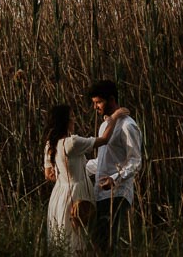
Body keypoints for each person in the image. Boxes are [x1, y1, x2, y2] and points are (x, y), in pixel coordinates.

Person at [43, 103, 130, 256]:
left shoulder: (50, 144)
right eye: (72, 117)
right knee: (80, 240)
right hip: (76, 193)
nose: (74, 120)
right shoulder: (71, 143)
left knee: (64, 238)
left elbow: (49, 174)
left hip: (59, 196)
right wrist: (115, 117)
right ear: (65, 121)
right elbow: (104, 139)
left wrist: (66, 172)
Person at [84, 80, 142, 254]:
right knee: (98, 243)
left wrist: (115, 178)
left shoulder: (128, 125)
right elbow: (102, 162)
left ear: (111, 99)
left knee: (108, 244)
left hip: (117, 193)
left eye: (98, 102)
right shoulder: (105, 126)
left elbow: (135, 161)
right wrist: (78, 168)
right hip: (100, 193)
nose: (95, 107)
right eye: (94, 103)